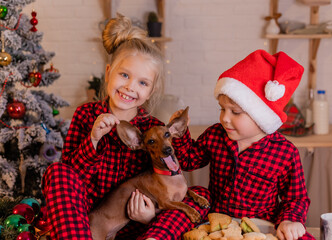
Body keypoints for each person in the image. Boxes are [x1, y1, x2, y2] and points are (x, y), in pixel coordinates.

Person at [42, 14, 210, 240]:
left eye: (142, 82)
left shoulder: (154, 128)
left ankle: (154, 237)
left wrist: (150, 217)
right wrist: (93, 139)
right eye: (124, 75)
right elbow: (73, 176)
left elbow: (187, 163)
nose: (130, 87)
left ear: (150, 91)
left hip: (137, 224)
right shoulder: (86, 114)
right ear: (109, 72)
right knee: (57, 172)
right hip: (85, 221)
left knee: (200, 195)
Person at [172, 49, 314, 240]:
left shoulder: (285, 152)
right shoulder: (215, 135)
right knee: (189, 208)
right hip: (218, 223)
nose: (225, 118)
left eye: (235, 112)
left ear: (260, 115)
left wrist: (290, 220)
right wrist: (180, 134)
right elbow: (188, 160)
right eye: (222, 109)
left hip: (262, 226)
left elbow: (295, 198)